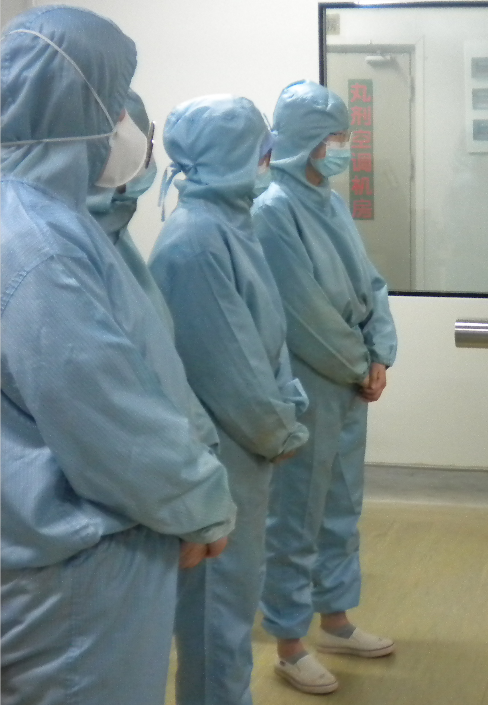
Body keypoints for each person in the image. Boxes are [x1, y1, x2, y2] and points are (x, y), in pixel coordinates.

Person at [0, 8, 236, 705]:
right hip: (82, 563)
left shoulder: (44, 222)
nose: (129, 128)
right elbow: (108, 413)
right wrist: (199, 503)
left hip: (65, 545)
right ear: (78, 107)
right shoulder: (41, 243)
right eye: (117, 105)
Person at [149, 94, 311, 705]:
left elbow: (267, 336)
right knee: (215, 615)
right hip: (222, 452)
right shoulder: (195, 241)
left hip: (243, 453)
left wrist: (285, 408)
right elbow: (228, 369)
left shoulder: (230, 228)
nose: (268, 159)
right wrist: (279, 430)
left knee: (233, 605)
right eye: (259, 149)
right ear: (231, 156)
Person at [254, 79, 398, 695]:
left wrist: (380, 351)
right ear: (305, 139)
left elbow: (370, 283)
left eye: (346, 136)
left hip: (349, 376)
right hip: (310, 376)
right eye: (334, 137)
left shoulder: (330, 203)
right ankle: (290, 643)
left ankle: (335, 619)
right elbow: (304, 312)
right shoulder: (272, 210)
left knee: (340, 503)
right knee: (295, 512)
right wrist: (357, 364)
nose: (343, 146)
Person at [87, 88, 220, 452]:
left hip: (174, 453)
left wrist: (199, 441)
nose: (148, 155)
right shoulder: (64, 252)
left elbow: (161, 362)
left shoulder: (114, 236)